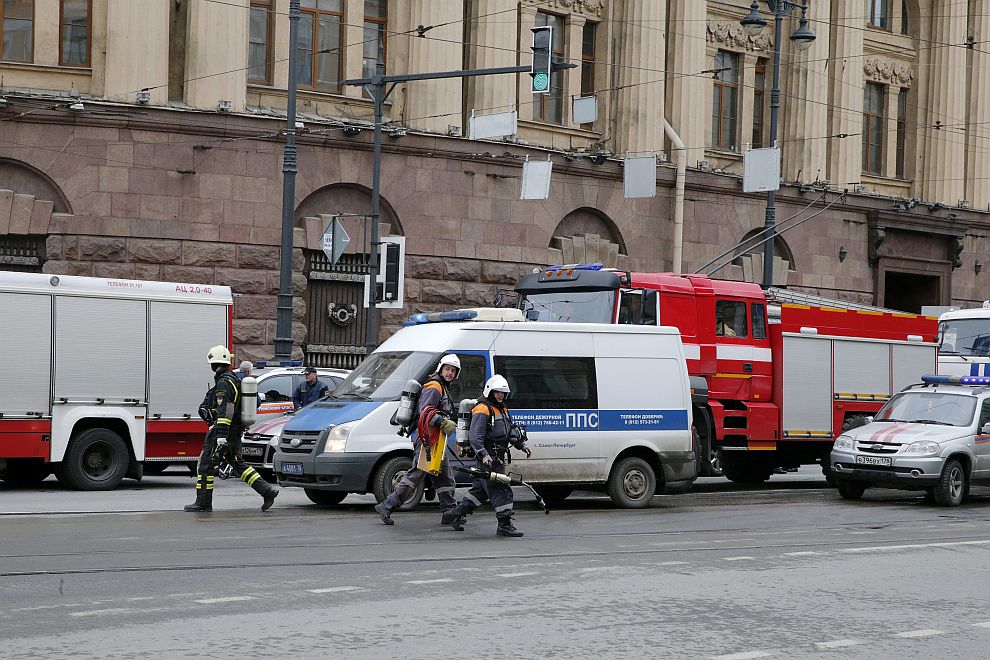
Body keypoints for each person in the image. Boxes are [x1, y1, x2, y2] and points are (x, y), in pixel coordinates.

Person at [184, 345, 279, 512]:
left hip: (223, 432)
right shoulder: (233, 379)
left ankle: (203, 502)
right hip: (234, 431)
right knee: (237, 463)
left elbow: (225, 409)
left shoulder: (224, 382)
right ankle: (267, 490)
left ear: (215, 364)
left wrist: (220, 434)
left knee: (205, 465)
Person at [374, 354, 460, 525]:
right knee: (417, 473)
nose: (450, 373)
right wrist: (442, 421)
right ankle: (387, 505)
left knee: (444, 476)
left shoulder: (442, 386)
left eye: (453, 371)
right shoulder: (435, 386)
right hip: (427, 438)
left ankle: (450, 512)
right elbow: (425, 411)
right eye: (447, 369)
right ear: (441, 369)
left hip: (435, 439)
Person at [442, 375, 532, 537]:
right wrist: (483, 455)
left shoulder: (502, 408)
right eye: (498, 392)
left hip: (497, 457)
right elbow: (476, 436)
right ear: (490, 391)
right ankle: (504, 524)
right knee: (501, 489)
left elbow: (509, 432)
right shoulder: (482, 409)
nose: (500, 395)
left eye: (503, 393)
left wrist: (522, 445)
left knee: (480, 491)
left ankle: (454, 514)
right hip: (488, 458)